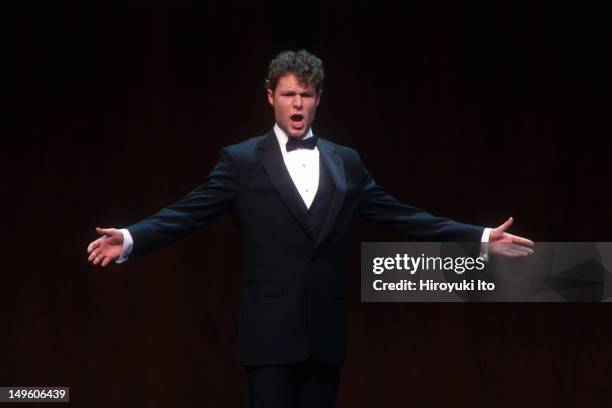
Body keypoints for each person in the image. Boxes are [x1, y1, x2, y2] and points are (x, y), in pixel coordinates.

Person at [87, 50, 533, 408]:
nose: (297, 103)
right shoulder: (241, 161)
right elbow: (189, 212)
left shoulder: (346, 162)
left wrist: (479, 238)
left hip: (325, 334)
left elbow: (401, 215)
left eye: (306, 94)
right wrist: (131, 237)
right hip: (269, 335)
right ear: (270, 98)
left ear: (319, 98)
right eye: (288, 94)